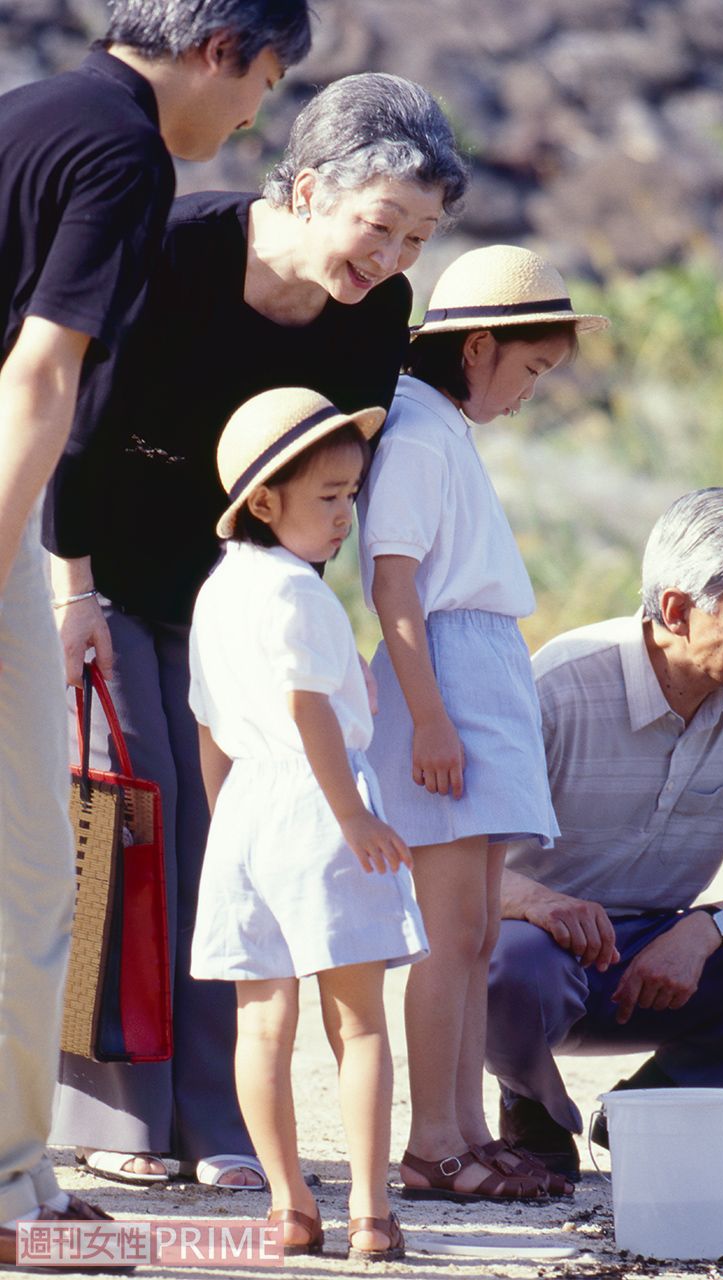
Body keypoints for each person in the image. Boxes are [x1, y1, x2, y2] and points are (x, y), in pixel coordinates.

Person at [43, 71, 466, 1192]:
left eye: (416, 237)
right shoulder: (169, 249)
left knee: (234, 847)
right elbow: (72, 427)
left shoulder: (373, 311)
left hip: (242, 594)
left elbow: (340, 478)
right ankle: (116, 1119)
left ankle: (218, 1116)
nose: (389, 258)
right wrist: (68, 592)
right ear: (313, 185)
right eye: (381, 224)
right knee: (137, 829)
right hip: (105, 568)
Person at [0, 0, 311, 1259]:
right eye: (263, 87)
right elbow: (38, 374)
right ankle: (15, 1182)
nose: (250, 120)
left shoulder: (26, 111)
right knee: (26, 873)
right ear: (223, 51)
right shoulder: (124, 148)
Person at [487, 487, 723, 1193]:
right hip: (538, 956)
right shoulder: (558, 686)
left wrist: (705, 932)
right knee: (505, 961)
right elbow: (449, 860)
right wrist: (541, 904)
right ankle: (531, 1110)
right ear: (679, 611)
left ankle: (659, 1110)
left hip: (664, 953)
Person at [358, 244, 610, 1202]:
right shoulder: (419, 431)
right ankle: (433, 1143)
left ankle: (462, 1129)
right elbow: (395, 582)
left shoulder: (442, 427)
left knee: (469, 934)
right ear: (480, 349)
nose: (531, 392)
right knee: (447, 929)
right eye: (531, 370)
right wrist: (427, 717)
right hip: (449, 672)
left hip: (481, 667)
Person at [189, 387, 428, 1260]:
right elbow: (310, 713)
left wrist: (229, 832)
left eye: (352, 496)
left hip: (248, 812)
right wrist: (355, 816)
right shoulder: (298, 594)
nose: (344, 516)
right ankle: (370, 1212)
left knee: (261, 1022)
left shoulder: (217, 595)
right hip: (317, 803)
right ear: (263, 502)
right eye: (328, 497)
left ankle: (290, 1207)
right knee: (359, 1020)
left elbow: (211, 731)